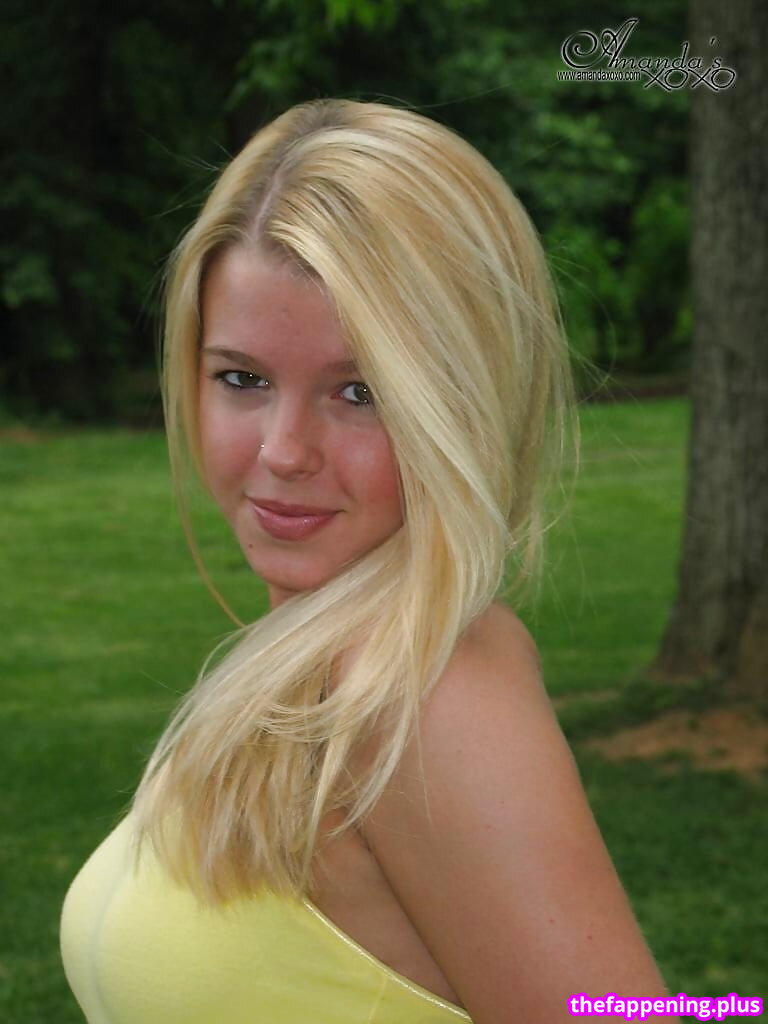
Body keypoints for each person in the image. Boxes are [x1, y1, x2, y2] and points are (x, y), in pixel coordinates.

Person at [60, 98, 676, 1023]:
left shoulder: (428, 697)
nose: (283, 452)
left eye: (359, 392)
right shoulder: (304, 660)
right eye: (242, 378)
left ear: (459, 402)